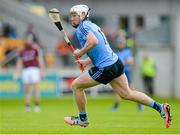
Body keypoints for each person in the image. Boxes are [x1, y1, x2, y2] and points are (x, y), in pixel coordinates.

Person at [63, 4, 172, 128]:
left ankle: (83, 119)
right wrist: (87, 61)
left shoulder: (82, 27)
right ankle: (161, 108)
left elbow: (93, 41)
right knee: (127, 94)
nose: (72, 18)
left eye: (74, 15)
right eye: (71, 16)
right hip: (116, 62)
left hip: (105, 68)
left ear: (83, 15)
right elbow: (100, 47)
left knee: (76, 86)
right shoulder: (92, 25)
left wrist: (80, 52)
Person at [111, 34, 143, 112]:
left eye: (121, 43)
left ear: (124, 44)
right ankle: (116, 106)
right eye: (119, 43)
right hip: (118, 73)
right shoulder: (117, 53)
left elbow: (130, 61)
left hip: (126, 72)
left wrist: (121, 63)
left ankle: (140, 104)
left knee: (131, 90)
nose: (120, 44)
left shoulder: (127, 51)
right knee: (117, 89)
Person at [15, 35, 45, 112]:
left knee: (36, 88)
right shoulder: (22, 50)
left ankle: (37, 105)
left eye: (30, 40)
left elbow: (40, 60)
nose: (28, 41)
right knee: (26, 89)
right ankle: (27, 106)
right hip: (26, 70)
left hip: (34, 69)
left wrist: (42, 71)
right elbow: (20, 62)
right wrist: (17, 71)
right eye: (27, 40)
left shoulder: (35, 49)